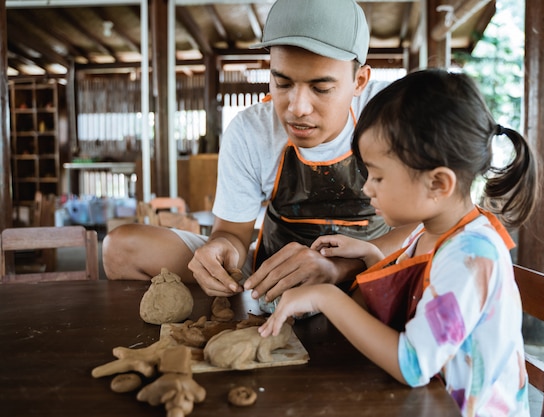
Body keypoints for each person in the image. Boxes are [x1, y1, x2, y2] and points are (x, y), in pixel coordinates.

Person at [259, 69, 537, 416]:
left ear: (438, 184)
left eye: (377, 176)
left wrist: (325, 296)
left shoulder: (472, 255)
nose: (367, 189)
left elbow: (413, 365)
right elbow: (408, 299)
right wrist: (371, 255)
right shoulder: (431, 232)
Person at [103, 0, 413, 301]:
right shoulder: (251, 130)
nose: (297, 108)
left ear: (359, 81)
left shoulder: (393, 114)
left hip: (373, 266)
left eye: (321, 88)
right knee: (120, 247)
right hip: (272, 273)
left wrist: (338, 268)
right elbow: (233, 235)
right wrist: (221, 250)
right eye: (282, 83)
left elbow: (426, 222)